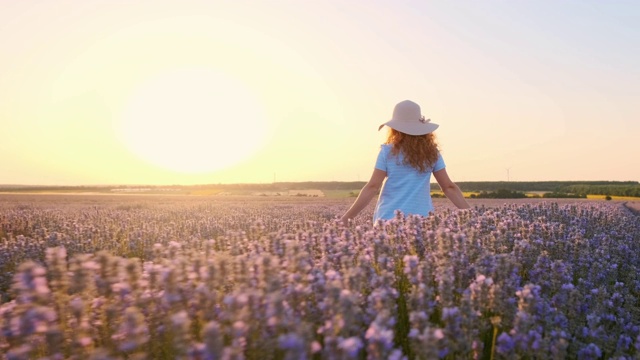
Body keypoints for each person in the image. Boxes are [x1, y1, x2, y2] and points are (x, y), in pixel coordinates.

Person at [340, 100, 470, 224]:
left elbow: (373, 187)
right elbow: (448, 187)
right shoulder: (432, 153)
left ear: (395, 128)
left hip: (388, 220)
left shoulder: (387, 151)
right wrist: (470, 214)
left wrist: (348, 217)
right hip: (422, 221)